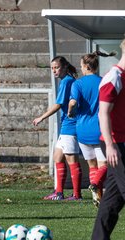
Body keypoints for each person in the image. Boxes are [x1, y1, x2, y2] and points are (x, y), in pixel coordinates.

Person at [68, 51, 115, 207]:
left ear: (87, 66)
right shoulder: (103, 82)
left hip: (82, 130)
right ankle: (95, 186)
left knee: (92, 166)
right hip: (100, 130)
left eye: (81, 66)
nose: (81, 69)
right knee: (104, 166)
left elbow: (73, 102)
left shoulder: (78, 84)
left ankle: (98, 197)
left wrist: (70, 111)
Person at [33, 56, 82, 201]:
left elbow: (59, 104)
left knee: (71, 159)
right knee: (57, 157)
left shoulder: (67, 81)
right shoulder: (67, 81)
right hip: (66, 126)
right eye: (52, 68)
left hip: (70, 126)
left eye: (57, 67)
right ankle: (59, 193)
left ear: (65, 67)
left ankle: (76, 195)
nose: (54, 70)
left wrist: (42, 117)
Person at [92, 39, 125, 240]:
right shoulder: (114, 77)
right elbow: (103, 113)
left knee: (112, 200)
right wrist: (111, 146)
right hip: (116, 144)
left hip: (120, 143)